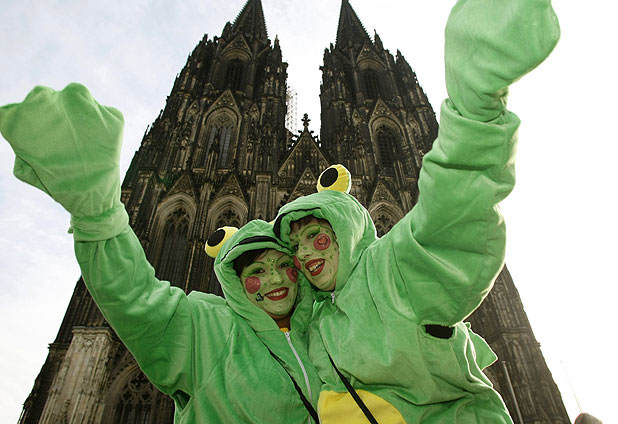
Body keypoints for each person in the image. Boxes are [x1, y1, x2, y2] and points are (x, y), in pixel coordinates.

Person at [273, 0, 561, 422]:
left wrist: (476, 102)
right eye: (295, 247)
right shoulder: (316, 326)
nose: (306, 253)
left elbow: (456, 205)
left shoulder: (394, 270)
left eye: (318, 238)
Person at [0, 84, 322, 423]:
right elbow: (133, 294)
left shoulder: (327, 330)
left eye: (285, 264)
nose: (273, 278)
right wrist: (98, 214)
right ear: (234, 276)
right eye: (257, 270)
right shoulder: (210, 332)